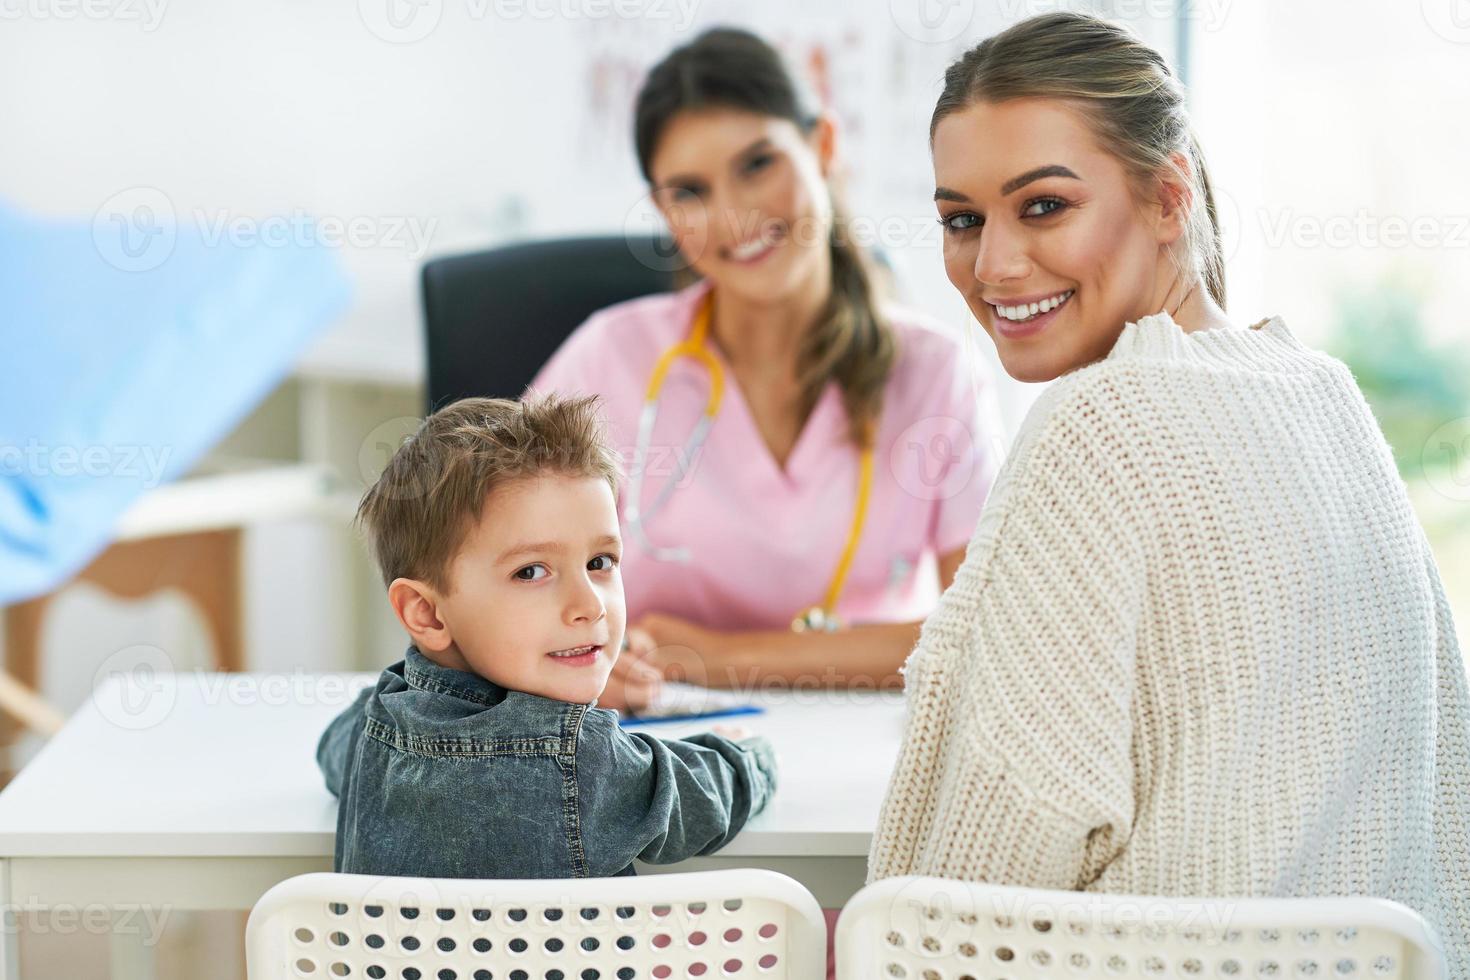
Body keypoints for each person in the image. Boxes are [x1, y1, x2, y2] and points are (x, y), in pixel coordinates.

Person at [867, 12, 1470, 976]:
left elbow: (982, 873)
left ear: (1167, 197)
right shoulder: (1323, 390)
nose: (993, 267)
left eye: (1045, 206)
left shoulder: (1100, 423)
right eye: (962, 220)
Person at [530, 28, 1004, 711]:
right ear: (663, 210)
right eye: (690, 191)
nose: (734, 215)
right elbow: (496, 578)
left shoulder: (935, 372)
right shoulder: (609, 357)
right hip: (652, 751)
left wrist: (720, 657)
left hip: (858, 762)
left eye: (758, 164)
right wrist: (563, 662)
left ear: (824, 146)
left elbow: (986, 636)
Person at [315, 394, 776, 879]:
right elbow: (703, 799)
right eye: (532, 571)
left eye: (599, 563)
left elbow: (332, 750)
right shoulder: (580, 757)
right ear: (426, 612)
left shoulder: (375, 724)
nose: (589, 606)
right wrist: (746, 754)